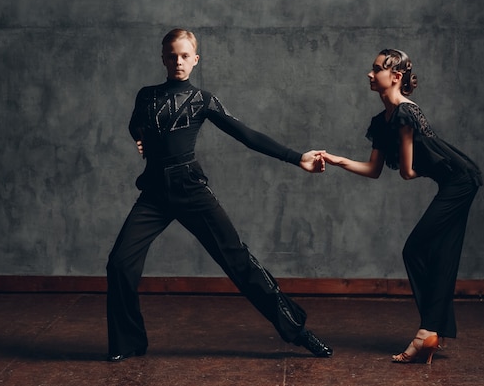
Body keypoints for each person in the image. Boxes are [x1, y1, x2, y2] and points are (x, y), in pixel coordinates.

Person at [105, 28, 333, 362]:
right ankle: (128, 343)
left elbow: (246, 135)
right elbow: (136, 124)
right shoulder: (146, 95)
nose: (178, 61)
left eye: (185, 56)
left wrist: (297, 157)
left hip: (189, 188)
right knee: (119, 264)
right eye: (172, 55)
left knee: (239, 262)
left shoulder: (202, 100)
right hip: (154, 193)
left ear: (195, 60)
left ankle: (297, 331)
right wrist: (140, 137)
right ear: (163, 58)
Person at [322, 49, 482, 364]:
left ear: (395, 77)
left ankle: (428, 332)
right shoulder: (382, 121)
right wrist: (336, 159)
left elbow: (407, 173)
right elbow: (374, 169)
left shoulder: (405, 113)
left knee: (416, 249)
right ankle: (434, 331)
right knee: (441, 253)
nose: (370, 74)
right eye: (372, 68)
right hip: (452, 182)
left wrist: (434, 168)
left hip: (462, 180)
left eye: (377, 69)